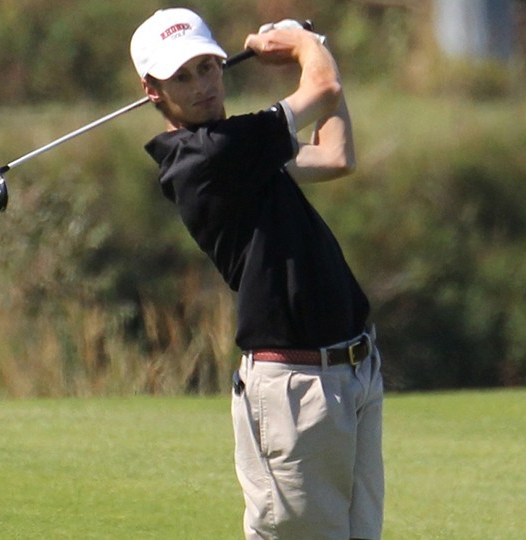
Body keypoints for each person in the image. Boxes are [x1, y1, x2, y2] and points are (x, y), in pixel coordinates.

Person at [130, 8, 384, 539]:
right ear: (152, 90)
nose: (202, 84)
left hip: (351, 373)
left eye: (208, 67)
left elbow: (336, 155)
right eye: (182, 76)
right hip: (294, 387)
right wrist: (302, 46)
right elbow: (324, 85)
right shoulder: (207, 157)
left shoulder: (238, 147)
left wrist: (315, 53)